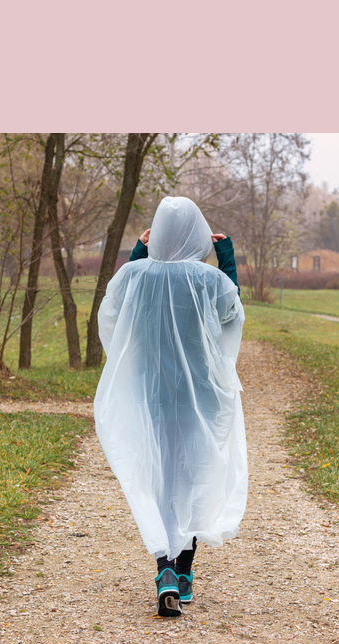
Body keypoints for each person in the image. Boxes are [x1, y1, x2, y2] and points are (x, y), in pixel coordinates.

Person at [94, 196, 247, 617]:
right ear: (198, 232)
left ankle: (164, 567)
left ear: (157, 232)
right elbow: (232, 313)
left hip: (152, 398)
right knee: (193, 478)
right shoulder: (209, 280)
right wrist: (225, 257)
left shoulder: (135, 276)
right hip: (200, 399)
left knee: (158, 479)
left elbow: (117, 308)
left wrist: (139, 252)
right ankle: (184, 572)